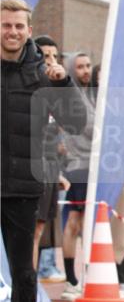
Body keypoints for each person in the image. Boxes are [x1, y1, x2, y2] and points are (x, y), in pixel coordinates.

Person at [1, 0, 87, 302]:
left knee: (23, 269)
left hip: (22, 184)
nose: (13, 32)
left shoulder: (44, 73)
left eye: (19, 26)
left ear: (29, 30)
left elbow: (77, 124)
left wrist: (65, 83)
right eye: (6, 25)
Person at [32, 35, 68, 283]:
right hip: (25, 170)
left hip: (49, 170)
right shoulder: (25, 87)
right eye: (46, 56)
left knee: (38, 231)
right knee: (27, 233)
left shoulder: (57, 90)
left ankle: (28, 291)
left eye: (55, 56)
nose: (51, 62)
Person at [60, 51, 95, 301]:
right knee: (75, 221)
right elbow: (90, 127)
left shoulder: (93, 94)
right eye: (80, 66)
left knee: (84, 221)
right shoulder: (71, 96)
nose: (85, 70)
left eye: (88, 65)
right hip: (78, 165)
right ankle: (72, 277)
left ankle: (81, 275)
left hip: (94, 165)